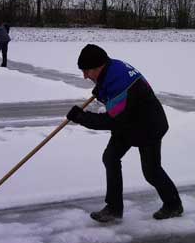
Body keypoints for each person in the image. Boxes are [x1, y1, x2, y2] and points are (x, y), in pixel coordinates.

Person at [66, 44, 183, 223]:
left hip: (148, 125)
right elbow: (114, 97)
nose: (84, 76)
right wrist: (100, 88)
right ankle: (113, 208)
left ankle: (173, 205)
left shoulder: (119, 82)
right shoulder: (112, 66)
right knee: (110, 157)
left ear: (98, 67)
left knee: (151, 171)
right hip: (129, 122)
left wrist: (82, 117)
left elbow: (111, 120)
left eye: (86, 71)